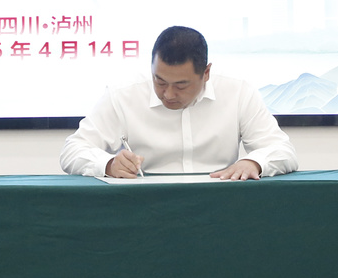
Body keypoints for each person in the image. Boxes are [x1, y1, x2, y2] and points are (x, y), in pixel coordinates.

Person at [59, 25, 297, 180]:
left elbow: (283, 151)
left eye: (181, 85)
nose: (169, 94)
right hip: (144, 206)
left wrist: (253, 162)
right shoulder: (124, 94)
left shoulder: (237, 92)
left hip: (220, 204)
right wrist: (109, 164)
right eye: (160, 81)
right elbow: (72, 150)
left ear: (206, 73)